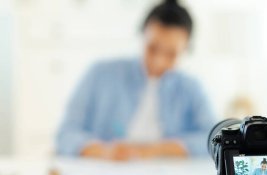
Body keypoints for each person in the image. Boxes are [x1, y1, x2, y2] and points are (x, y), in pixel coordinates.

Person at [56, 0, 215, 161]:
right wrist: (105, 152)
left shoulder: (191, 88)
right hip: (105, 173)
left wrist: (157, 150)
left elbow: (213, 138)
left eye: (171, 54)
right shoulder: (100, 74)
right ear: (142, 35)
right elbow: (66, 134)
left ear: (186, 49)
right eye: (152, 48)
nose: (158, 61)